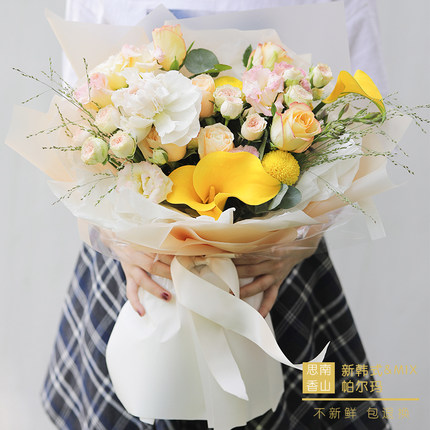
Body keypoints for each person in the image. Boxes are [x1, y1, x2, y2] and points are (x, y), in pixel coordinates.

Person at [42, 1, 391, 429]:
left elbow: (363, 125)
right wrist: (114, 240)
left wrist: (300, 241)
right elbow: (72, 126)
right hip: (138, 270)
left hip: (270, 270)